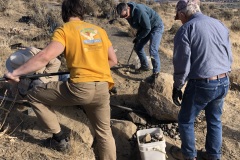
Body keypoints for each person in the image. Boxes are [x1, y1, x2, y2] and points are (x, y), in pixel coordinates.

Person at [4, 0, 117, 159]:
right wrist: (94, 66)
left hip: (80, 88)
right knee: (105, 133)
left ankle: (58, 139)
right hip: (103, 88)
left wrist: (15, 73)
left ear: (64, 13)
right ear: (81, 12)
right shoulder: (99, 30)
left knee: (33, 94)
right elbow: (113, 60)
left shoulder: (65, 29)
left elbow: (45, 57)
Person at [172, 0, 232, 160]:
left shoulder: (186, 29)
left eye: (179, 17)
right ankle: (214, 156)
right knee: (214, 120)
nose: (180, 21)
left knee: (185, 120)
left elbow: (182, 63)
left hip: (202, 83)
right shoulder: (218, 23)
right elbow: (228, 53)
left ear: (182, 14)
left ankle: (188, 155)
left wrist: (177, 86)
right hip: (224, 80)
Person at [116, 2, 164, 83]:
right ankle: (145, 66)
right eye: (122, 16)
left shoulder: (140, 11)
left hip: (156, 26)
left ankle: (156, 74)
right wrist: (138, 36)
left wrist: (138, 38)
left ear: (128, 8)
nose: (125, 17)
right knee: (138, 47)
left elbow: (147, 28)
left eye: (125, 15)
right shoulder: (127, 14)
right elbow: (140, 25)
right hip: (146, 28)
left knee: (153, 50)